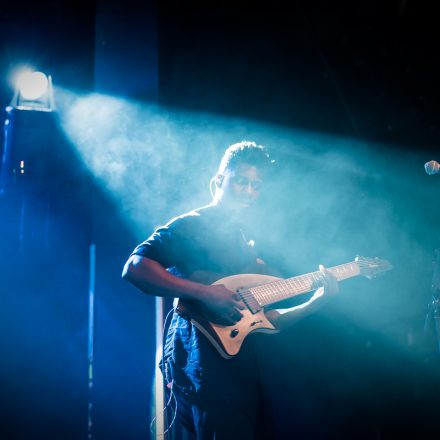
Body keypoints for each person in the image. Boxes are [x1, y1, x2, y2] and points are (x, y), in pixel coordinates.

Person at [122, 141, 338, 439]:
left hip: (249, 373)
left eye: (256, 185)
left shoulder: (246, 245)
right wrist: (205, 292)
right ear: (218, 181)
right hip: (206, 368)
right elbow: (134, 267)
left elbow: (268, 321)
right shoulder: (190, 226)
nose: (248, 192)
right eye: (240, 181)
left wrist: (315, 302)